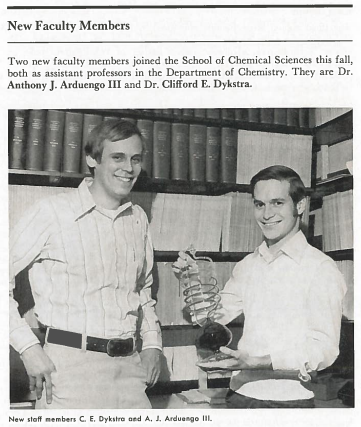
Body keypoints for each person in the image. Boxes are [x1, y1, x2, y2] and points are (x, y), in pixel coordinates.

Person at [9, 119, 162, 409]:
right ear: (92, 159)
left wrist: (153, 344)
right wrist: (28, 348)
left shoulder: (138, 218)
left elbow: (142, 290)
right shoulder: (52, 212)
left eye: (135, 159)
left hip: (130, 370)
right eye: (117, 157)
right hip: (68, 370)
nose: (128, 168)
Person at [177, 165, 347, 408]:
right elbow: (210, 317)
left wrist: (261, 362)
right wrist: (191, 279)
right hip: (239, 396)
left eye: (277, 203)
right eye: (260, 204)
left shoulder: (321, 269)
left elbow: (325, 350)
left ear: (300, 206)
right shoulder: (248, 265)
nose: (267, 214)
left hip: (288, 403)